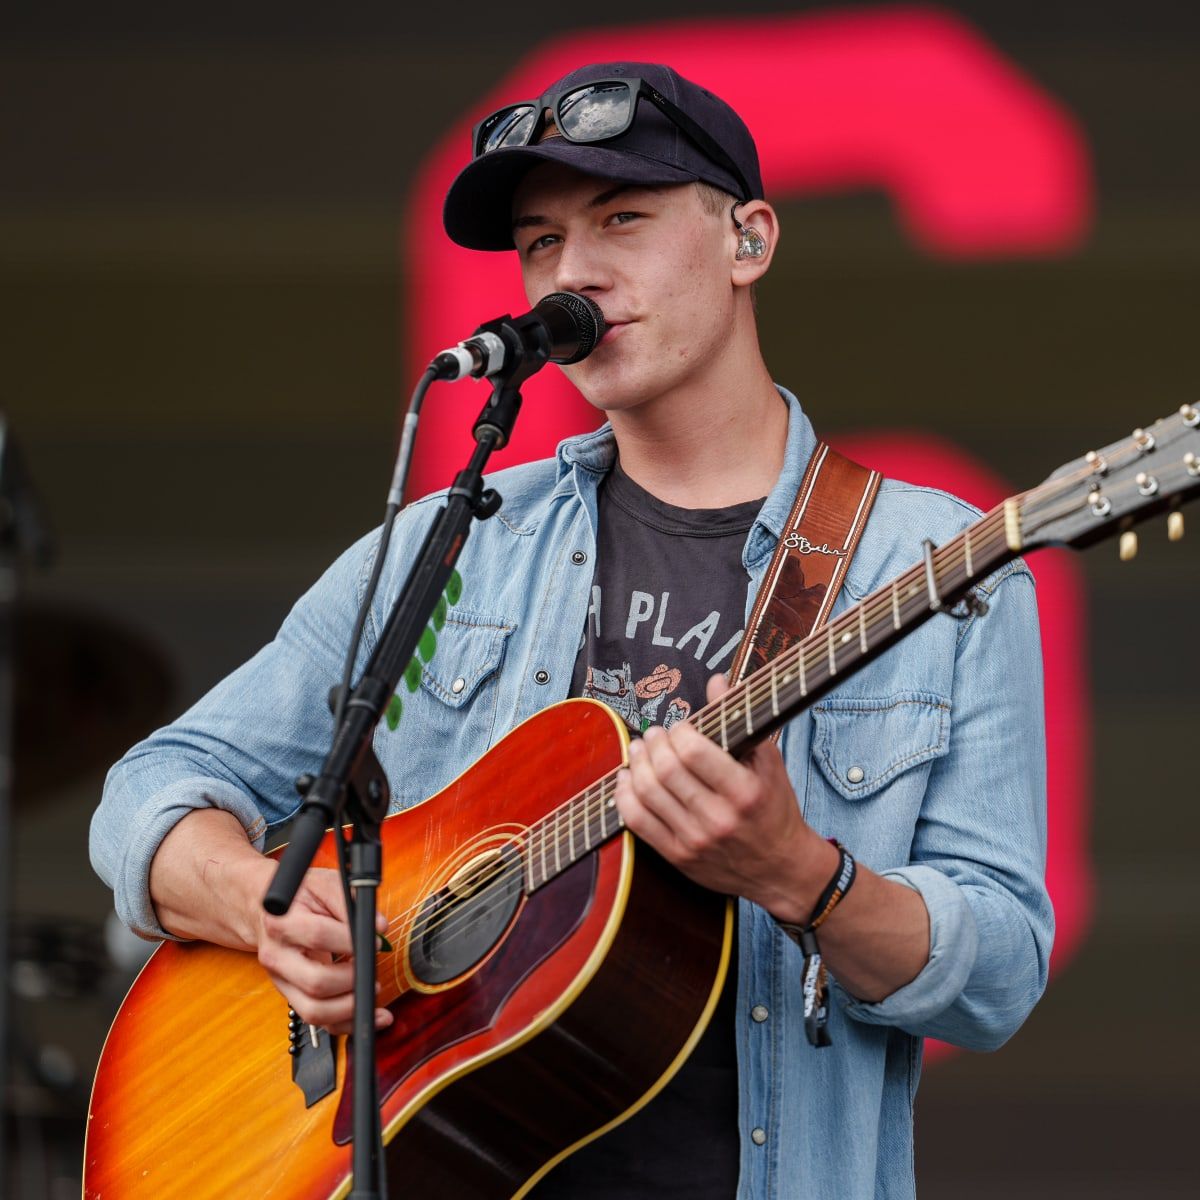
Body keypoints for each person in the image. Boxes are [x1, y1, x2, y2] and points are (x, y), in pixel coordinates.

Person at [91, 62, 1053, 1199]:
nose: (576, 273)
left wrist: (803, 876)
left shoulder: (934, 567)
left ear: (749, 239)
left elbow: (998, 972)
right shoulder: (468, 540)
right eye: (542, 243)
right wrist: (262, 908)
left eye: (624, 219)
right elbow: (157, 788)